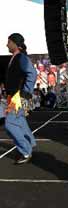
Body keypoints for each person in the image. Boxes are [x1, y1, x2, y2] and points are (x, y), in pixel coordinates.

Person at [5, 33, 37, 164]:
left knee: (10, 123)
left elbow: (32, 74)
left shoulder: (21, 58)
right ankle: (29, 143)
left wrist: (25, 93)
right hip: (16, 96)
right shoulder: (15, 58)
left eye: (9, 42)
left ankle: (25, 150)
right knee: (20, 121)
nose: (7, 44)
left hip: (19, 97)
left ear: (15, 43)